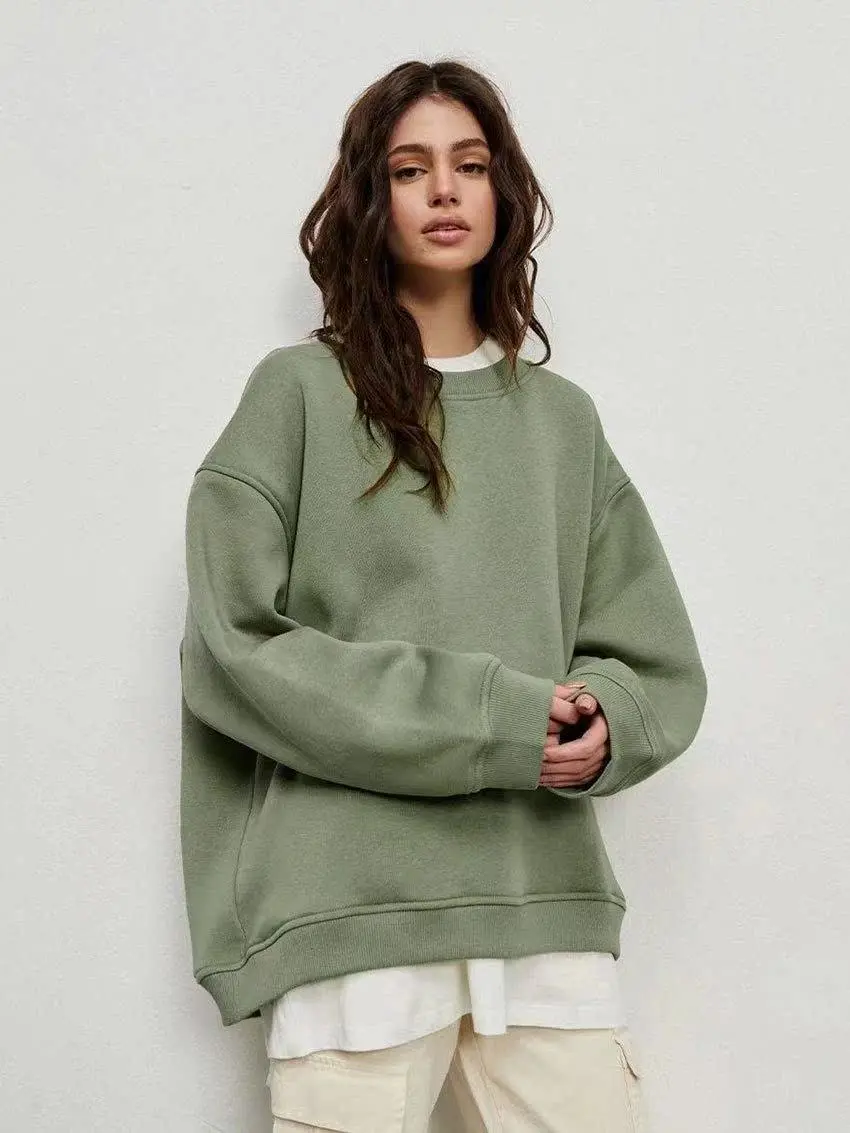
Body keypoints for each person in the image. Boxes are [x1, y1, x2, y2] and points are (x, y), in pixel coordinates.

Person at [178, 57, 708, 1132]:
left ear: (504, 191)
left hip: (538, 902)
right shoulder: (297, 395)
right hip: (352, 912)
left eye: (469, 164)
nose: (445, 190)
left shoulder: (562, 422)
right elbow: (236, 648)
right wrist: (495, 717)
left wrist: (604, 721)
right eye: (409, 168)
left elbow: (652, 658)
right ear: (370, 200)